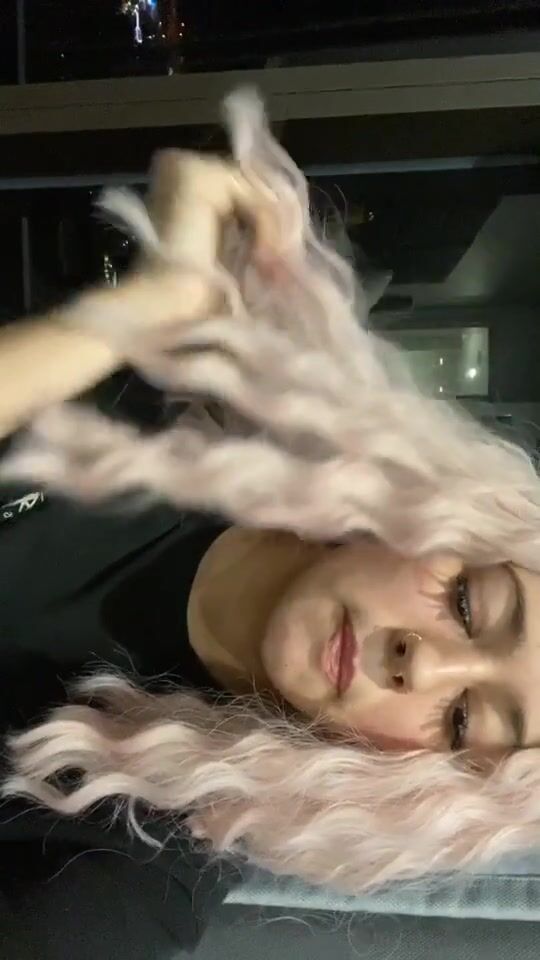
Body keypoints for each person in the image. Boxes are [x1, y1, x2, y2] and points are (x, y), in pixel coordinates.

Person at [2, 89, 540, 957]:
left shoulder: (146, 854)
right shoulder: (189, 386)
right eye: (471, 604)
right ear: (438, 514)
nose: (423, 661)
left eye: (460, 725)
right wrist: (147, 310)